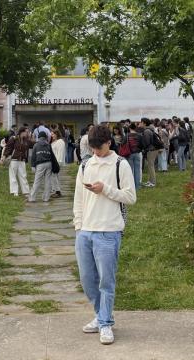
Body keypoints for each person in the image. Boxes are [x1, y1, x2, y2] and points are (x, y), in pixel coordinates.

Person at [74, 125, 136, 345]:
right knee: (87, 279)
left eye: (98, 148)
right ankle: (101, 316)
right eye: (92, 148)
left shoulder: (121, 164)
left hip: (109, 231)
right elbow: (78, 198)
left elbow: (130, 197)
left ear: (109, 142)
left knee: (106, 282)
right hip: (85, 232)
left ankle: (106, 323)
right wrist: (78, 226)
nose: (95, 153)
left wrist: (105, 189)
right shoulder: (85, 164)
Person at [2, 127, 33, 197]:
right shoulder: (14, 138)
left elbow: (32, 145)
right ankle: (14, 191)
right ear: (22, 132)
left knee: (23, 176)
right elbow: (8, 148)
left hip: (22, 160)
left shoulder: (26, 140)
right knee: (13, 176)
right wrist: (3, 157)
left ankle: (26, 192)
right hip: (13, 160)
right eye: (26, 132)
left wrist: (32, 137)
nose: (27, 133)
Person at [29, 131, 53, 202]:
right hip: (49, 163)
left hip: (40, 164)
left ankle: (32, 197)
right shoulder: (48, 145)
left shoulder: (36, 145)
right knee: (48, 181)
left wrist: (33, 166)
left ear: (39, 137)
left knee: (37, 181)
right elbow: (51, 155)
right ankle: (46, 198)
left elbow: (33, 156)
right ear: (45, 137)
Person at [50, 130, 66, 198]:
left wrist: (58, 162)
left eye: (53, 134)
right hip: (53, 161)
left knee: (54, 176)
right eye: (51, 134)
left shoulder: (60, 142)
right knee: (53, 177)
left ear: (57, 134)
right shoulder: (54, 142)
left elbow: (60, 152)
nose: (52, 135)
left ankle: (57, 191)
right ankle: (55, 190)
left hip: (56, 162)